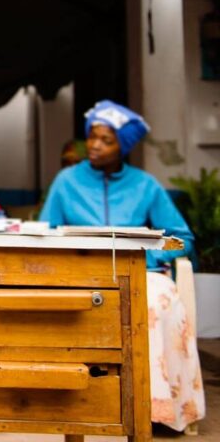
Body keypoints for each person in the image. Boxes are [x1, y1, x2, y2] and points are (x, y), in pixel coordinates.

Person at [40, 100, 204, 431]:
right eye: (93, 138)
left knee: (156, 304)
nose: (96, 146)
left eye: (107, 140)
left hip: (141, 272)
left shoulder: (145, 185)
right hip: (81, 275)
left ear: (124, 147)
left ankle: (156, 410)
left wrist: (149, 255)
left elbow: (181, 239)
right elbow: (45, 234)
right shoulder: (66, 181)